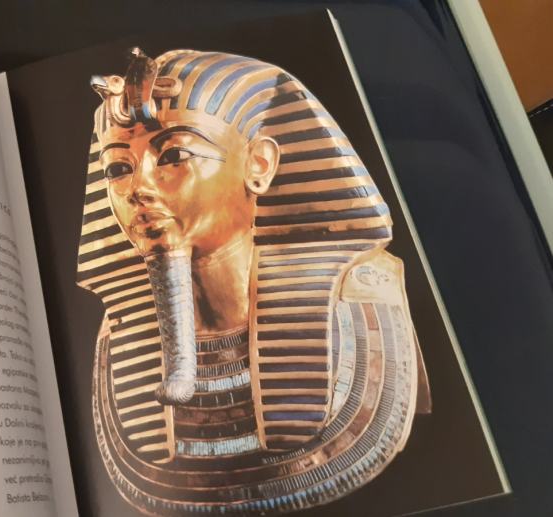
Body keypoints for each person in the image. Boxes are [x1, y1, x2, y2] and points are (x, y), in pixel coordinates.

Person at [77, 48, 430, 515]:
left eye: (174, 155)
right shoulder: (117, 330)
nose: (138, 188)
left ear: (258, 165)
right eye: (119, 168)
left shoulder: (365, 293)